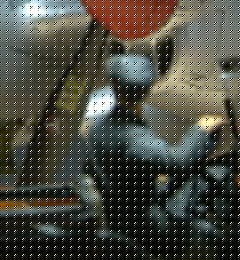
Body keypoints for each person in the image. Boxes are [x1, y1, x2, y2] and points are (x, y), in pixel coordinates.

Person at [85, 54, 224, 246]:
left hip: (121, 213)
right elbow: (179, 160)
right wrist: (202, 128)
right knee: (215, 229)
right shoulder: (134, 138)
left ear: (115, 85)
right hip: (149, 226)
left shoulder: (98, 127)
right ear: (147, 90)